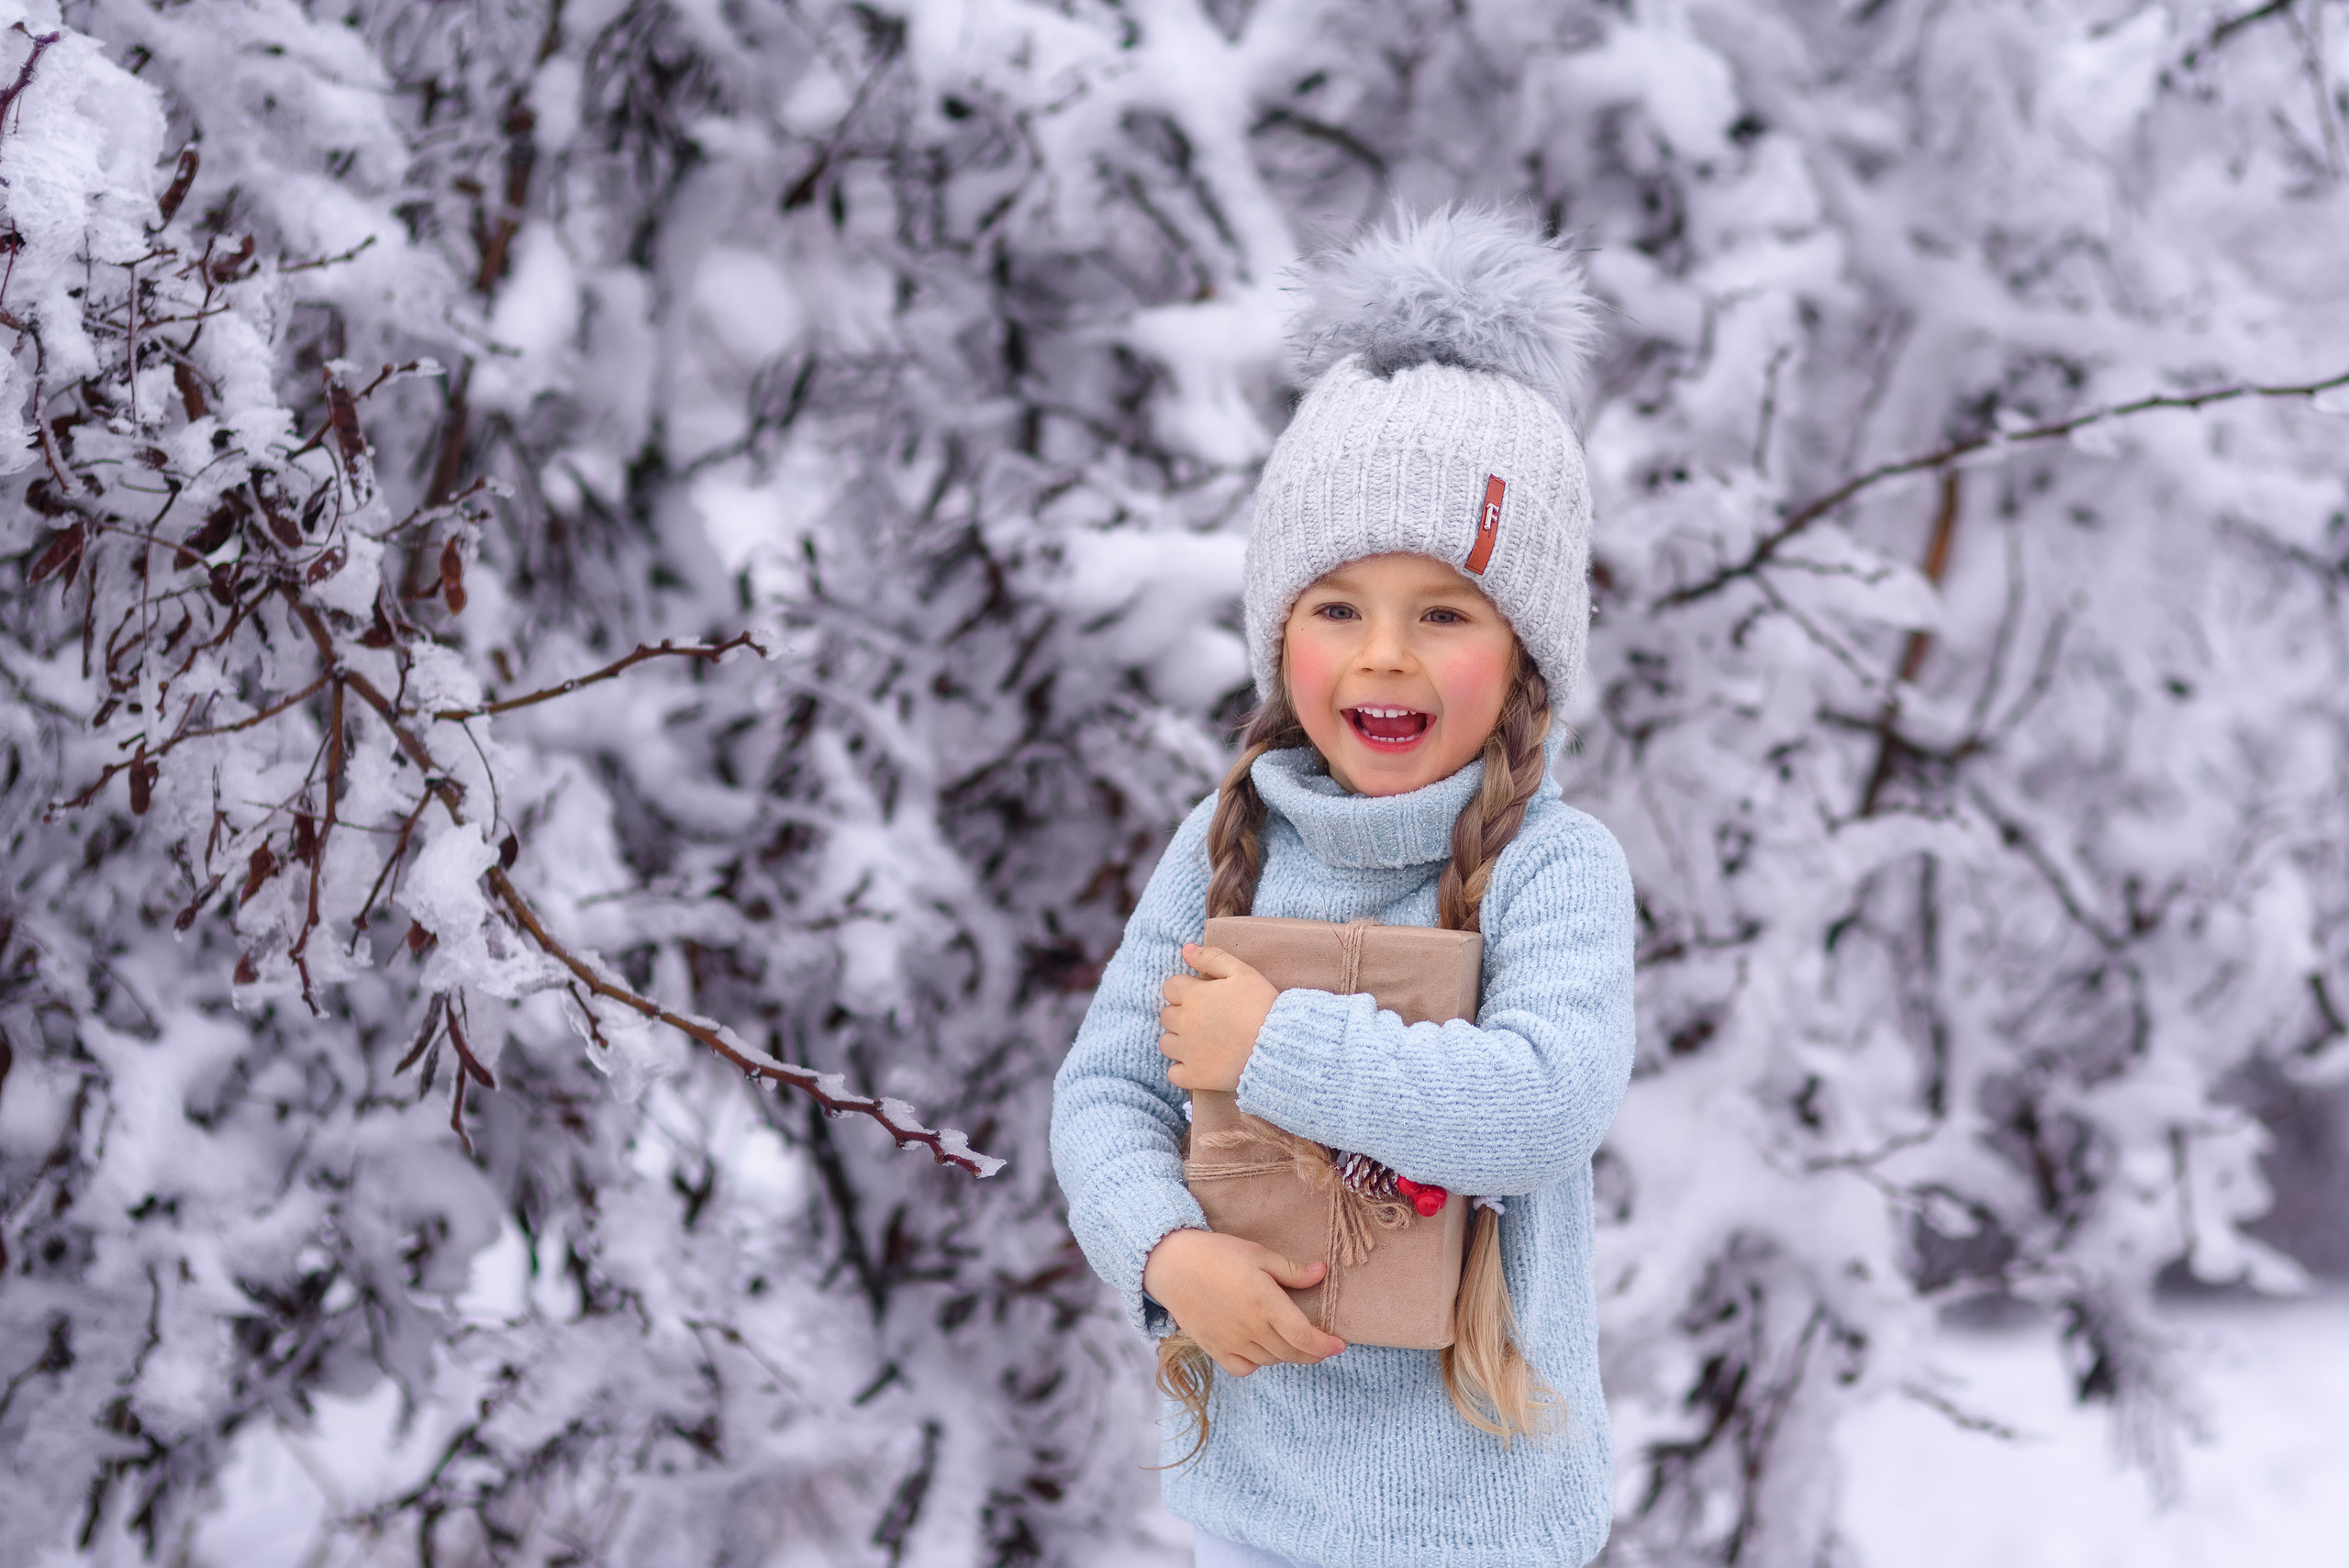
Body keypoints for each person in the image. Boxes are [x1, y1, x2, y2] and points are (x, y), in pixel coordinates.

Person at [1050, 206, 1637, 1568]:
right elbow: (1105, 1093)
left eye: (1444, 612)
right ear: (1280, 631)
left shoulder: (1553, 868)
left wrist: (1275, 1046)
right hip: (1251, 1512)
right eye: (1337, 607)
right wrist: (1166, 1254)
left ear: (1526, 650)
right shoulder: (1226, 843)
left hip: (1481, 1523)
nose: (1384, 655)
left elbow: (1544, 1103)